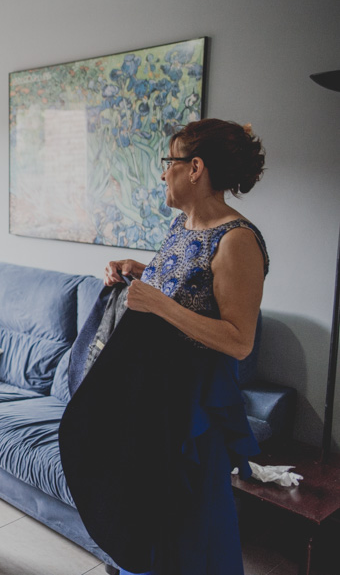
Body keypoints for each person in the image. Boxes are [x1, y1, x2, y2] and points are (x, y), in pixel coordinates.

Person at [102, 119, 269, 574]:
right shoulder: (184, 224)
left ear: (194, 168)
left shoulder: (238, 240)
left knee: (189, 522)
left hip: (193, 405)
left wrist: (159, 304)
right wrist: (138, 269)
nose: (162, 175)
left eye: (167, 164)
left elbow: (239, 340)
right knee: (146, 515)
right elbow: (186, 286)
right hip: (153, 394)